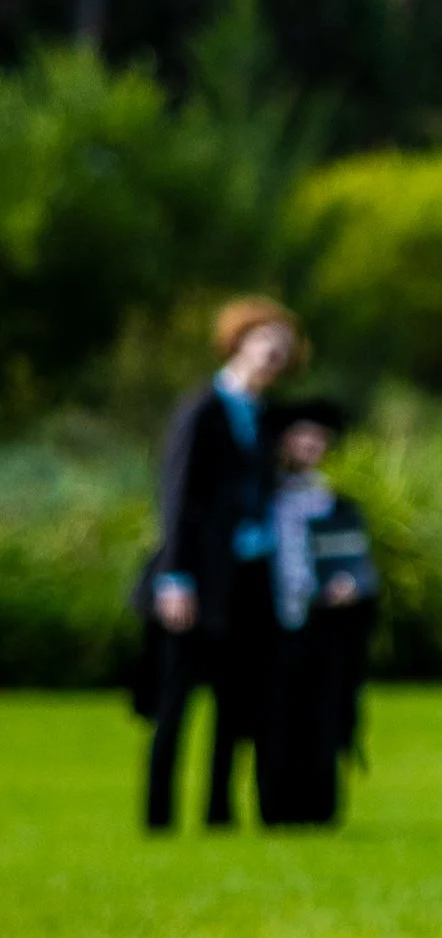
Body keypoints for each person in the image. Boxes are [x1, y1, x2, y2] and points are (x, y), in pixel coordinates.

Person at [133, 296, 301, 833]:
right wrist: (176, 578)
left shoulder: (266, 417)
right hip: (198, 577)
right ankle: (159, 816)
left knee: (237, 699)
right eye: (264, 340)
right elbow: (178, 499)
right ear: (239, 343)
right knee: (176, 699)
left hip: (248, 577)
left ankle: (219, 813)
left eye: (282, 345)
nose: (274, 352)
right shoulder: (203, 409)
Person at [254, 399, 381, 829]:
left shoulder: (338, 506)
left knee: (324, 715)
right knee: (275, 719)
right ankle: (275, 809)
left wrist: (353, 587)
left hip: (326, 629)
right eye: (300, 436)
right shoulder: (261, 501)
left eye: (317, 438)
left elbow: (361, 568)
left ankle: (321, 809)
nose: (309, 445)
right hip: (272, 627)